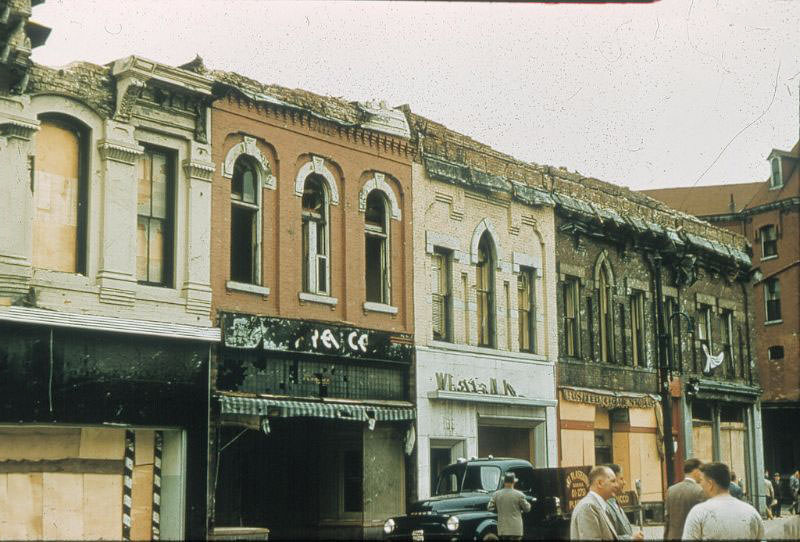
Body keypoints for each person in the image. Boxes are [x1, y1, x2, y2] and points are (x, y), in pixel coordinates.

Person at [682, 461, 764, 541]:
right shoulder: (751, 511)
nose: (700, 484)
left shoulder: (699, 512)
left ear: (710, 484)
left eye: (701, 480)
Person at [569, 465, 619, 541]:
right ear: (600, 483)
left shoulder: (596, 505)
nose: (617, 485)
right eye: (613, 481)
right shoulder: (588, 507)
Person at [663, 458, 705, 541]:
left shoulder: (671, 490)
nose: (702, 475)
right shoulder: (700, 491)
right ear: (696, 471)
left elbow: (667, 518)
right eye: (701, 471)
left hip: (673, 537)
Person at [603, 464, 644, 541]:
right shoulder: (605, 506)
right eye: (621, 479)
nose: (624, 482)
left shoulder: (614, 502)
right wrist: (632, 538)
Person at [488, 472, 531, 541]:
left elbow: (489, 508)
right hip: (516, 529)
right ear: (513, 482)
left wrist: (499, 509)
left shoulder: (496, 494)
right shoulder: (519, 495)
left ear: (504, 482)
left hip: (503, 528)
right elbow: (527, 509)